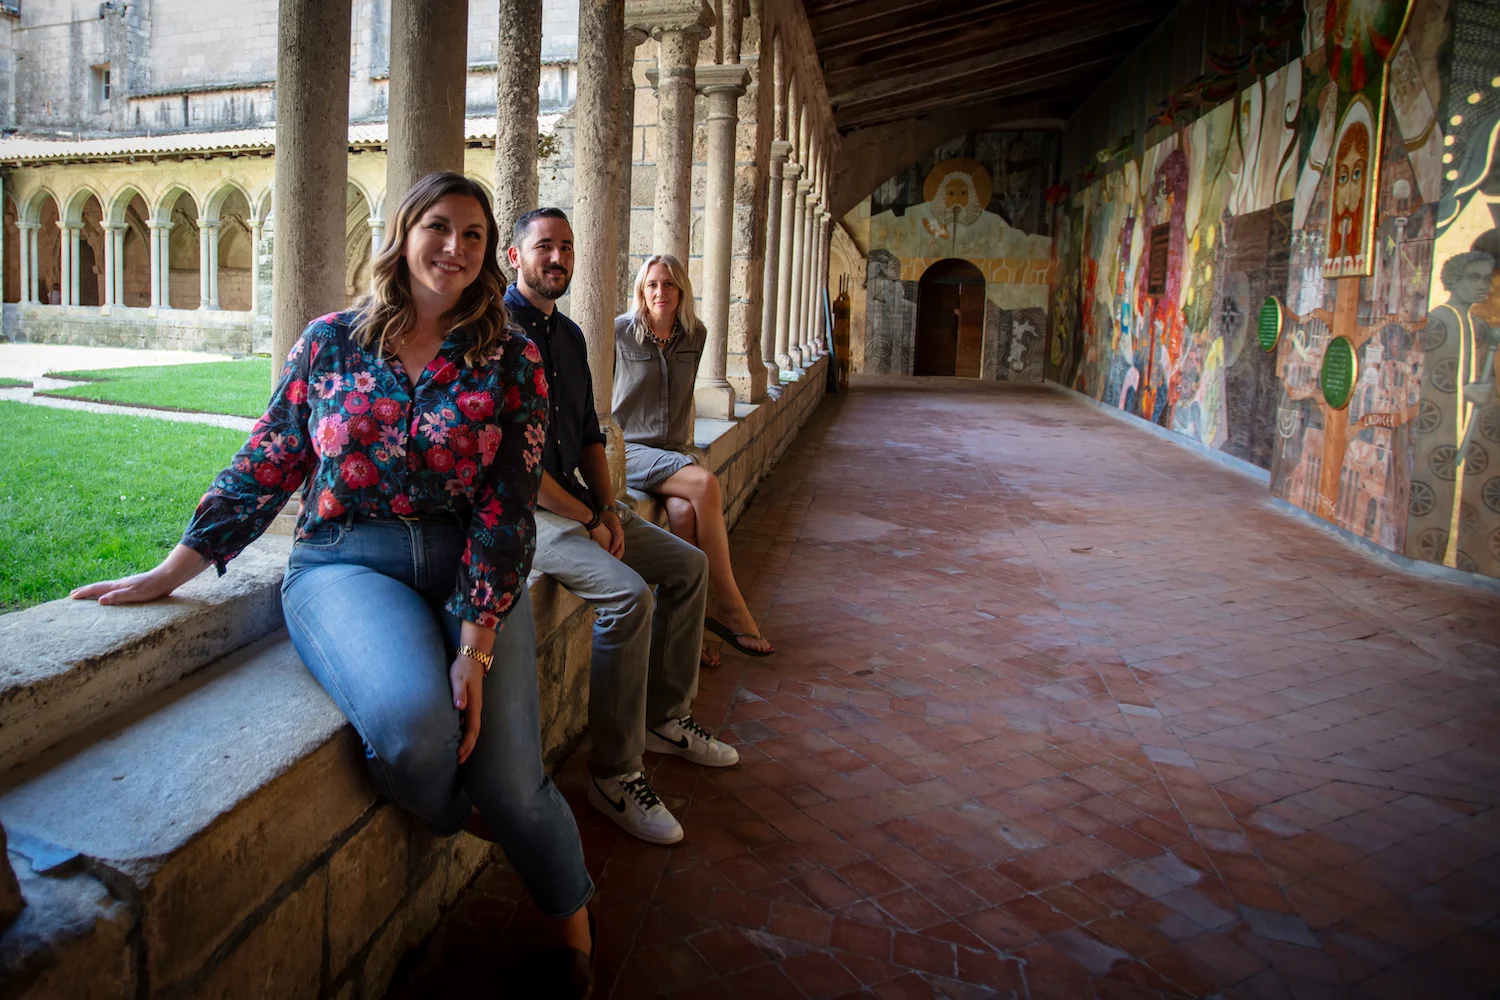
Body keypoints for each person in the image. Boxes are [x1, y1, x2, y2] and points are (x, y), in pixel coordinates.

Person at [70, 173, 596, 995]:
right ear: (403, 231)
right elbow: (268, 458)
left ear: (491, 253)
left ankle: (572, 930)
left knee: (515, 787)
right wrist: (178, 565)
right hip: (348, 560)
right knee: (417, 737)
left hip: (470, 563)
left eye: (474, 235)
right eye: (439, 227)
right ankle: (456, 817)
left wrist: (477, 641)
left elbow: (508, 502)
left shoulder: (512, 355)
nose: (454, 248)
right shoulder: (329, 342)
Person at [504, 209, 738, 847]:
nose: (558, 258)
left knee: (687, 569)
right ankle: (614, 772)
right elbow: (515, 464)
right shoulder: (496, 334)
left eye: (567, 248)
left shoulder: (573, 335)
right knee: (628, 596)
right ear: (513, 256)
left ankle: (667, 716)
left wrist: (608, 508)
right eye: (544, 247)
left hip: (578, 503)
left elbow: (586, 434)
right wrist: (589, 517)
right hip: (527, 515)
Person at [613, 254, 774, 659]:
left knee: (684, 516)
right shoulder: (619, 333)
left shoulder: (695, 336)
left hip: (672, 453)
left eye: (668, 284)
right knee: (705, 483)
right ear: (641, 290)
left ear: (681, 290)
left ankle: (688, 635)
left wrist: (682, 449)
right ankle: (731, 602)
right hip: (630, 450)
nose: (660, 292)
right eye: (652, 284)